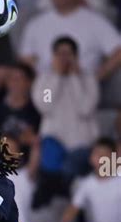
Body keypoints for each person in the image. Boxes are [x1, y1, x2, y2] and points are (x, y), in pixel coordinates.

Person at [20, 0, 121, 82]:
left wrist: (97, 77)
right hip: (46, 89)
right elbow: (26, 58)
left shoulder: (95, 20)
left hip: (82, 87)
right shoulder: (36, 24)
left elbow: (118, 51)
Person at [32, 37, 99, 177]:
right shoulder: (45, 79)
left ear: (76, 56)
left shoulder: (88, 79)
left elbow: (85, 108)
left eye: (68, 54)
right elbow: (46, 105)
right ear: (53, 56)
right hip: (53, 141)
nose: (64, 58)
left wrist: (74, 77)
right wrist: (57, 77)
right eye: (60, 54)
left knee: (72, 173)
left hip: (81, 144)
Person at [60, 138, 121, 222]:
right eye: (97, 154)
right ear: (91, 157)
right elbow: (71, 211)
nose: (101, 159)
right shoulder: (86, 184)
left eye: (104, 155)